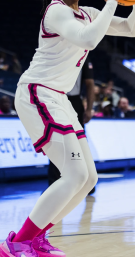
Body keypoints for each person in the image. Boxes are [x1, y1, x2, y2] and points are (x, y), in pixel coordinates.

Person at [0, 0, 135, 257]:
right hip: (37, 92)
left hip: (59, 98)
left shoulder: (89, 14)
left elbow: (133, 29)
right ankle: (17, 243)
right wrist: (113, 1)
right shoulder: (55, 12)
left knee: (89, 178)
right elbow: (88, 38)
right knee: (75, 175)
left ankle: (37, 237)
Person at [48, 55, 95, 187]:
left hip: (70, 101)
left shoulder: (83, 55)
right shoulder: (59, 52)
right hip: (58, 100)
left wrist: (89, 109)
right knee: (59, 141)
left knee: (74, 142)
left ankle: (85, 183)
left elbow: (90, 83)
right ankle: (55, 183)